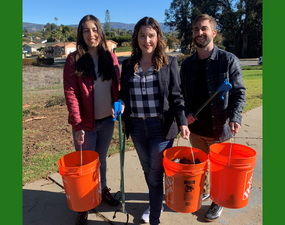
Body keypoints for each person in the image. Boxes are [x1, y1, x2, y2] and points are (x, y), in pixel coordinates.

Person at [119, 17, 190, 225]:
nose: (147, 40)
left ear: (157, 37)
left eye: (151, 35)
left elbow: (177, 96)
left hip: (161, 126)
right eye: (142, 36)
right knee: (148, 171)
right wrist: (122, 106)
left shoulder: (170, 63)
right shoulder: (128, 65)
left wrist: (183, 122)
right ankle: (155, 203)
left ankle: (155, 219)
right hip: (137, 127)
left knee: (156, 172)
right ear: (136, 38)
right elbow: (124, 94)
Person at [180, 14, 246, 222]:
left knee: (220, 172)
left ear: (214, 33)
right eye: (196, 29)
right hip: (197, 131)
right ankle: (207, 191)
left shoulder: (228, 60)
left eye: (204, 28)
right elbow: (181, 95)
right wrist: (186, 113)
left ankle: (218, 201)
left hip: (221, 130)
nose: (199, 33)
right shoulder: (188, 64)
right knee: (201, 168)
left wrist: (235, 116)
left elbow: (239, 92)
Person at [63, 14, 121, 225]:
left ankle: (102, 189)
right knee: (85, 164)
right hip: (85, 125)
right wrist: (77, 126)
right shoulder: (74, 60)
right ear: (81, 34)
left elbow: (118, 85)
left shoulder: (110, 56)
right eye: (86, 30)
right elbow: (71, 94)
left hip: (107, 120)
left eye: (95, 29)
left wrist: (120, 102)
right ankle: (85, 202)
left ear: (100, 32)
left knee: (101, 159)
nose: (91, 34)